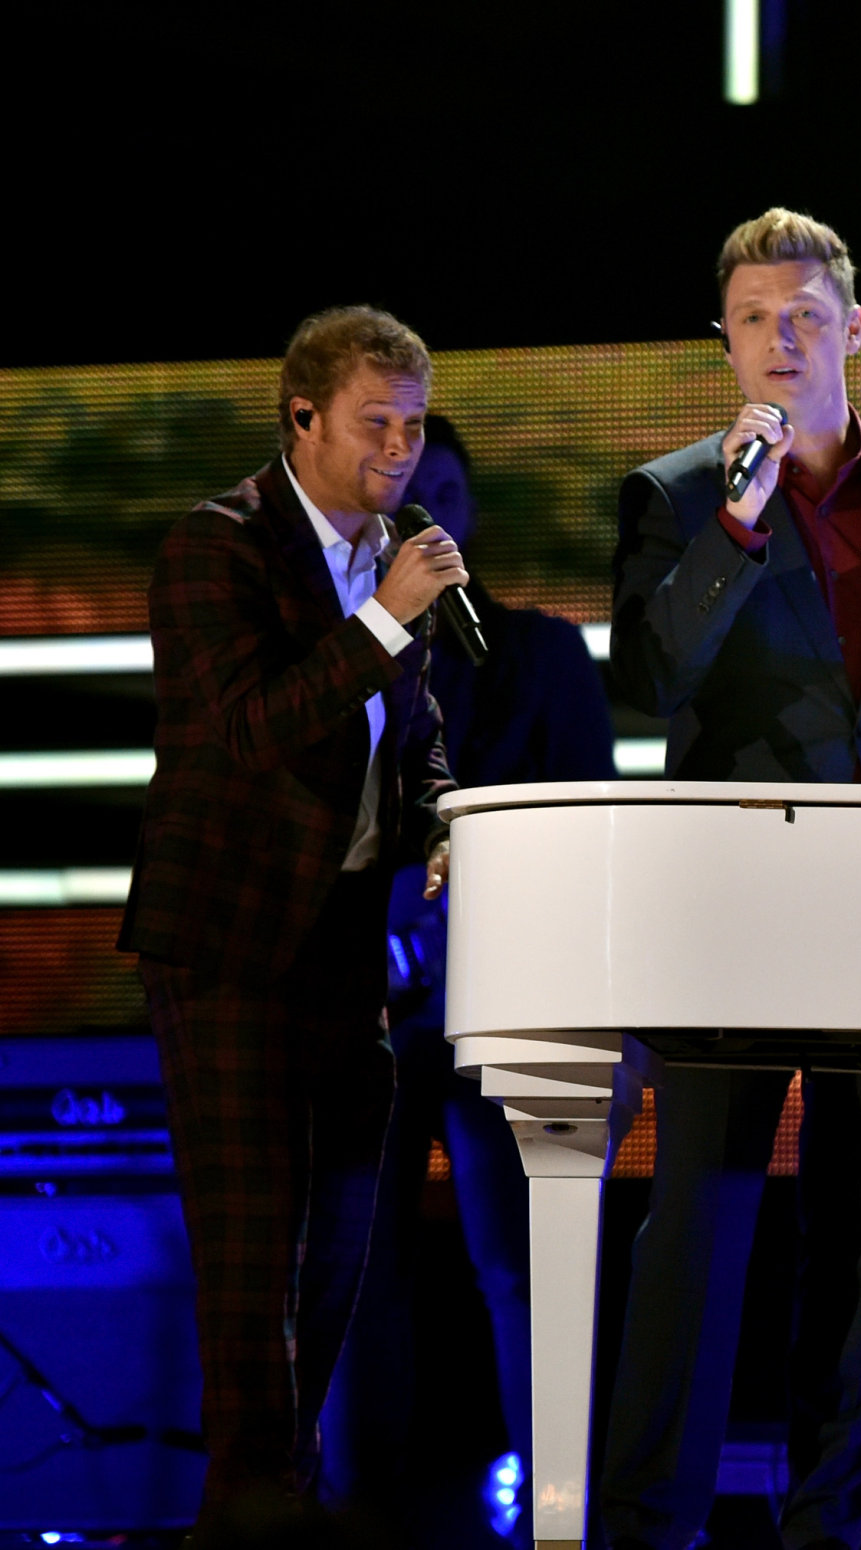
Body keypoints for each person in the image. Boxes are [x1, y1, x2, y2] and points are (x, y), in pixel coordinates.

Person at [600, 206, 861, 1550]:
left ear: (855, 329)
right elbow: (651, 677)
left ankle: (825, 1525)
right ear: (722, 342)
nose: (781, 339)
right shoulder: (675, 494)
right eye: (753, 320)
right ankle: (649, 1522)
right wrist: (734, 526)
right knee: (697, 1229)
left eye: (805, 315)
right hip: (730, 908)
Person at [118, 305, 466, 1524]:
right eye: (376, 421)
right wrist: (384, 620)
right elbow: (252, 727)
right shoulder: (216, 546)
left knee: (341, 1241)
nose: (400, 448)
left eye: (414, 425)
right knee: (251, 1246)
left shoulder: (394, 557)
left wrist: (434, 826)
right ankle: (255, 1497)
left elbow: (411, 742)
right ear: (302, 416)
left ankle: (277, 1479)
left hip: (342, 945)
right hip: (226, 943)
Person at [319, 415, 619, 1543]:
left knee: (528, 1272)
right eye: (401, 488)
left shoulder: (540, 654)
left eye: (443, 487)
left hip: (517, 1013)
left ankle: (559, 1517)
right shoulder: (340, 652)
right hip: (367, 1010)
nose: (426, 508)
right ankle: (358, 1520)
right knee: (359, 1276)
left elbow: (592, 840)